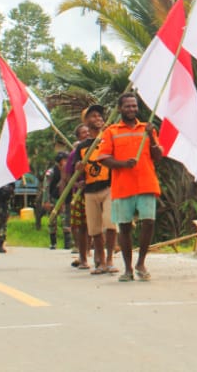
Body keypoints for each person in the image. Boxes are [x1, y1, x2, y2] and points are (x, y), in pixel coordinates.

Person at [97, 93, 164, 282]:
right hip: (123, 186)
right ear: (120, 108)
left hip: (146, 183)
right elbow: (104, 159)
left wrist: (151, 137)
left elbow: (158, 157)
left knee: (149, 221)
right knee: (124, 227)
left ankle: (141, 262)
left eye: (134, 106)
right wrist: (123, 164)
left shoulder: (147, 128)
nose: (132, 109)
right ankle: (127, 268)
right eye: (127, 106)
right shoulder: (111, 131)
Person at [76, 104, 118, 275]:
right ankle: (99, 260)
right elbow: (75, 172)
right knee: (94, 228)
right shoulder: (81, 147)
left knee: (110, 223)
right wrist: (79, 169)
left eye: (100, 116)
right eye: (93, 116)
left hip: (109, 186)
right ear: (86, 121)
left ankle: (109, 260)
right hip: (90, 190)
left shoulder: (109, 139)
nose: (98, 118)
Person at [63, 123, 91, 267]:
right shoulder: (75, 153)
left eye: (88, 131)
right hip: (80, 193)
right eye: (83, 132)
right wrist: (75, 184)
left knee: (93, 226)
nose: (86, 134)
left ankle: (90, 252)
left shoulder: (97, 147)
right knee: (80, 225)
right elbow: (67, 174)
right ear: (78, 136)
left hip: (94, 190)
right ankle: (82, 254)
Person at [41, 152, 68, 250]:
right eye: (64, 160)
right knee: (52, 221)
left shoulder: (68, 171)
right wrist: (46, 201)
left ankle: (67, 244)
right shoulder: (51, 172)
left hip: (65, 199)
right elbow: (46, 187)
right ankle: (53, 243)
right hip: (53, 198)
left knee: (66, 221)